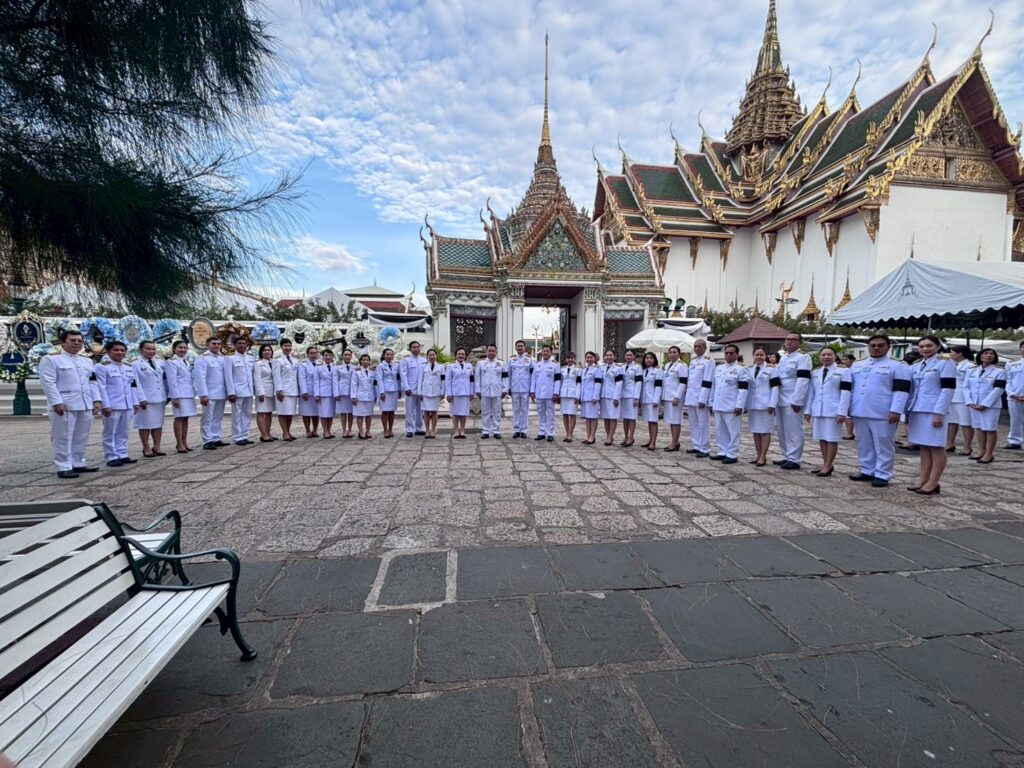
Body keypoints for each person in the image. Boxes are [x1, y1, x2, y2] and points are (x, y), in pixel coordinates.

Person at [848, 335, 911, 487]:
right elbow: (851, 388)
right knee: (863, 443)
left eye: (880, 345)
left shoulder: (898, 365)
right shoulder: (857, 365)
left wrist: (896, 410)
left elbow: (901, 390)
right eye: (873, 345)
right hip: (860, 409)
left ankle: (883, 474)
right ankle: (867, 470)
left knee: (883, 443)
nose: (876, 348)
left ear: (888, 347)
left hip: (883, 411)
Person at [38, 329, 101, 478]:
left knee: (81, 435)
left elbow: (92, 382)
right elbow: (48, 382)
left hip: (85, 403)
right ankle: (63, 465)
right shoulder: (52, 359)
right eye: (72, 340)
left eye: (79, 341)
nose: (76, 343)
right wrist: (56, 402)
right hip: (65, 404)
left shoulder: (86, 361)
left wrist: (96, 400)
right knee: (63, 436)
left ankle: (78, 462)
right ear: (62, 342)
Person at [906, 335, 956, 494]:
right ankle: (923, 479)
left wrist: (939, 413)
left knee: (936, 446)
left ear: (938, 346)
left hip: (933, 410)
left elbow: (948, 389)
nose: (925, 349)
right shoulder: (916, 365)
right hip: (917, 409)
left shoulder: (945, 362)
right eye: (921, 346)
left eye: (929, 346)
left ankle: (934, 482)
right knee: (923, 446)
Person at [803, 348, 851, 477]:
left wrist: (842, 412)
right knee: (822, 438)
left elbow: (846, 393)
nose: (826, 357)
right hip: (818, 409)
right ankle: (825, 464)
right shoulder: (815, 373)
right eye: (823, 355)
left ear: (835, 356)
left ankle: (828, 465)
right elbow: (811, 393)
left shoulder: (843, 371)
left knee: (831, 439)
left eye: (829, 354)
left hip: (833, 410)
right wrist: (807, 410)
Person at [95, 340, 139, 466]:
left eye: (122, 350)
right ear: (108, 351)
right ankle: (111, 456)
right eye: (116, 350)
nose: (120, 352)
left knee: (123, 431)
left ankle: (122, 453)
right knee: (110, 432)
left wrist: (135, 402)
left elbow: (133, 386)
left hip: (127, 404)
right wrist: (105, 405)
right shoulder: (102, 367)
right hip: (112, 405)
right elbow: (101, 387)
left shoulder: (128, 367)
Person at [773, 333, 812, 469]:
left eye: (793, 340)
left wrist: (797, 400)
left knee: (794, 430)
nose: (789, 342)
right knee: (782, 430)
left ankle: (795, 458)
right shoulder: (784, 358)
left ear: (800, 342)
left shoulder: (803, 357)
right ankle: (786, 455)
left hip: (792, 398)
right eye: (787, 340)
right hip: (780, 397)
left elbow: (802, 380)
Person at [710, 343, 749, 464]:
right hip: (718, 404)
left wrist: (740, 405)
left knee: (733, 431)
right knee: (720, 429)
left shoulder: (741, 369)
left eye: (731, 353)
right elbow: (714, 387)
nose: (728, 355)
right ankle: (723, 451)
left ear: (737, 354)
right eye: (726, 353)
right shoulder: (719, 368)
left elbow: (743, 389)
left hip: (732, 405)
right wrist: (711, 402)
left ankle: (732, 453)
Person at [966, 347, 1006, 464]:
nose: (988, 355)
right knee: (978, 428)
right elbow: (966, 387)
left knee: (989, 429)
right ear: (980, 356)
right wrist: (969, 401)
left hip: (990, 406)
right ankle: (981, 450)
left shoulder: (999, 371)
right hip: (974, 404)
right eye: (986, 353)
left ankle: (989, 453)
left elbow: (998, 389)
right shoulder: (972, 370)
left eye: (991, 354)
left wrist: (985, 404)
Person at [194, 337, 232, 450]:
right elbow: (200, 378)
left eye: (218, 344)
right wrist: (203, 394)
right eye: (213, 343)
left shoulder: (222, 358)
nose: (216, 345)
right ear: (207, 345)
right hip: (209, 393)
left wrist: (228, 392)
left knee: (218, 417)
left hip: (221, 392)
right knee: (207, 417)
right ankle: (207, 440)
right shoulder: (202, 359)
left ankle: (216, 437)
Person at [132, 340, 167, 457]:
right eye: (148, 349)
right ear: (140, 349)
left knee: (158, 423)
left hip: (160, 397)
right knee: (144, 424)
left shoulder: (160, 362)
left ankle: (157, 446)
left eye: (153, 349)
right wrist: (140, 398)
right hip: (145, 399)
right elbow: (136, 383)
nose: (151, 351)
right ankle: (146, 447)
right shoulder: (135, 364)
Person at [746, 346, 779, 467]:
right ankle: (758, 454)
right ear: (753, 356)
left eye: (761, 355)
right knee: (755, 431)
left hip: (766, 404)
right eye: (756, 355)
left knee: (765, 431)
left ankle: (763, 456)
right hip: (752, 404)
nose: (759, 357)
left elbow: (775, 387)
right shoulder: (749, 369)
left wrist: (772, 403)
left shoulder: (771, 369)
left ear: (765, 356)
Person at [165, 339, 197, 453]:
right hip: (179, 394)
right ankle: (179, 443)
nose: (183, 350)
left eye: (185, 348)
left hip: (188, 393)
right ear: (174, 349)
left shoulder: (186, 361)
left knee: (185, 418)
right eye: (180, 347)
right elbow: (172, 381)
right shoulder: (171, 362)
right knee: (179, 418)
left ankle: (184, 441)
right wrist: (175, 397)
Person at [684, 338, 715, 456]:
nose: (697, 348)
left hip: (701, 396)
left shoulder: (708, 360)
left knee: (703, 423)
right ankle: (696, 445)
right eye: (695, 346)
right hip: (691, 395)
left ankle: (705, 448)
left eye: (699, 346)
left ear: (705, 348)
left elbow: (707, 380)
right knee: (693, 423)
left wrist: (703, 399)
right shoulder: (693, 361)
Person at [945, 345, 975, 456]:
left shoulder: (970, 366)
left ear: (960, 354)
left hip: (963, 397)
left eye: (952, 352)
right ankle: (949, 444)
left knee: (965, 422)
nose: (950, 354)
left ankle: (967, 446)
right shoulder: (951, 364)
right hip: (951, 396)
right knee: (951, 421)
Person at [227, 337, 255, 446]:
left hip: (249, 390)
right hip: (237, 391)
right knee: (237, 414)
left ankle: (245, 435)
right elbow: (228, 377)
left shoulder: (250, 358)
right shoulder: (230, 359)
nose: (242, 345)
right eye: (239, 343)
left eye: (244, 343)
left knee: (247, 413)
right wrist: (231, 392)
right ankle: (237, 436)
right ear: (235, 345)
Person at [476, 343, 506, 439]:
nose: (491, 352)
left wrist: (505, 389)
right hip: (485, 391)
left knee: (497, 411)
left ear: (496, 352)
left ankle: (496, 431)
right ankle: (485, 431)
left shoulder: (501, 363)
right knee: (485, 412)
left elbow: (505, 377)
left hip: (497, 391)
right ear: (486, 352)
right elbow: (477, 378)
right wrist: (477, 389)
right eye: (489, 351)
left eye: (493, 351)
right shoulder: (480, 363)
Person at [530, 344, 559, 441]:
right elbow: (533, 379)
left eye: (547, 351)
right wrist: (532, 391)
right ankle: (541, 432)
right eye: (544, 351)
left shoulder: (555, 365)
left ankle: (550, 433)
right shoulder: (537, 365)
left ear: (551, 352)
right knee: (541, 413)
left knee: (550, 414)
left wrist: (556, 393)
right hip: (539, 393)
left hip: (550, 393)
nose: (545, 353)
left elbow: (557, 380)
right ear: (541, 352)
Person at [272, 338, 300, 441]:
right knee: (283, 412)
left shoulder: (295, 361)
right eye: (285, 346)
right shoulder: (278, 361)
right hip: (283, 390)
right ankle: (284, 432)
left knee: (290, 413)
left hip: (293, 390)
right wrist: (279, 390)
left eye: (289, 346)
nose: (287, 348)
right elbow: (276, 377)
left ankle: (288, 431)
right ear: (281, 347)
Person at [661, 346, 687, 452]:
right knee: (671, 420)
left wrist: (677, 397)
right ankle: (675, 442)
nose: (672, 354)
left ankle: (674, 443)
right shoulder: (667, 365)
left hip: (675, 397)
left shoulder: (682, 365)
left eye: (674, 352)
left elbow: (683, 382)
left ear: (679, 354)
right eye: (670, 352)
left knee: (676, 420)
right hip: (667, 396)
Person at [506, 340, 533, 438]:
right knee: (516, 409)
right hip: (515, 388)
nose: (520, 348)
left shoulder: (530, 359)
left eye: (521, 346)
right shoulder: (511, 359)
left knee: (524, 410)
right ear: (515, 347)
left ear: (524, 348)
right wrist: (508, 387)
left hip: (525, 388)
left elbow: (532, 375)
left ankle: (524, 430)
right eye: (518, 346)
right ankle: (517, 429)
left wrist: (532, 389)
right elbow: (509, 374)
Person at [400, 341, 426, 437]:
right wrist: (406, 387)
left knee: (420, 410)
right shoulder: (405, 361)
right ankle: (409, 429)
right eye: (414, 347)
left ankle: (419, 428)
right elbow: (403, 375)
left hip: (420, 389)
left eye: (418, 347)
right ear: (410, 349)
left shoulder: (424, 360)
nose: (416, 349)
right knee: (409, 410)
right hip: (410, 389)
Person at [446, 347, 473, 439]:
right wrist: (449, 394)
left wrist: (472, 392)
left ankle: (462, 430)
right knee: (455, 412)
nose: (461, 356)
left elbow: (472, 380)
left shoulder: (469, 366)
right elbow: (448, 381)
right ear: (456, 355)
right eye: (459, 354)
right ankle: (456, 431)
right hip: (455, 393)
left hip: (466, 392)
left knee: (463, 412)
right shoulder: (451, 366)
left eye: (463, 354)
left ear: (465, 356)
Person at [418, 348, 445, 438]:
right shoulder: (423, 367)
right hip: (425, 392)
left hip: (436, 392)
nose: (432, 356)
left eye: (433, 355)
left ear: (436, 356)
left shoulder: (441, 367)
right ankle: (427, 430)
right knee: (426, 412)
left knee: (434, 412)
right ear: (427, 356)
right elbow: (420, 380)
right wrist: (419, 392)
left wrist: (443, 391)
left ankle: (433, 430)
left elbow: (443, 380)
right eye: (430, 355)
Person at [253, 344, 277, 443]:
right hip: (263, 391)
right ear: (261, 352)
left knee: (269, 412)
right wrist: (260, 393)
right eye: (265, 350)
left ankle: (268, 433)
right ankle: (263, 434)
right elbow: (257, 379)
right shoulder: (258, 364)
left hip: (271, 391)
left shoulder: (274, 362)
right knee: (262, 412)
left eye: (269, 350)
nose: (267, 352)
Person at [351, 353, 377, 439]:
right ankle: (361, 431)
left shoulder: (373, 371)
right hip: (360, 396)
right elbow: (354, 384)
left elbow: (375, 384)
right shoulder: (356, 371)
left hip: (370, 396)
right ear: (360, 361)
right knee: (360, 415)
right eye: (364, 360)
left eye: (367, 360)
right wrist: (353, 396)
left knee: (369, 414)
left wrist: (376, 395)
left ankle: (368, 431)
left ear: (369, 362)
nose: (365, 361)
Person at [599, 350, 623, 446]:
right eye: (607, 355)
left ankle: (610, 436)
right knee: (606, 417)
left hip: (613, 396)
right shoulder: (601, 368)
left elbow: (619, 384)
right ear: (604, 357)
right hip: (603, 395)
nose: (609, 357)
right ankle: (608, 435)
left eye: (611, 355)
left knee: (613, 417)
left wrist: (616, 397)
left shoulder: (618, 369)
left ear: (614, 357)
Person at [376, 348, 400, 438]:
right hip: (385, 391)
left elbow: (398, 378)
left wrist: (400, 390)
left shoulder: (396, 365)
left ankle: (390, 429)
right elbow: (379, 380)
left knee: (392, 411)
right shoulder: (380, 366)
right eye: (387, 354)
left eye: (391, 354)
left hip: (394, 390)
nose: (389, 356)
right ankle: (385, 430)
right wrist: (381, 392)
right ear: (384, 355)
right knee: (385, 411)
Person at [640, 352, 662, 451]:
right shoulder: (643, 371)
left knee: (653, 421)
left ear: (654, 360)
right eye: (647, 358)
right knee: (649, 420)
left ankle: (653, 442)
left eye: (651, 358)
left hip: (653, 399)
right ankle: (650, 439)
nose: (649, 360)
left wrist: (656, 400)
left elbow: (658, 386)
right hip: (645, 399)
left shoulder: (657, 371)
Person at [620, 349, 642, 447]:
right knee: (625, 417)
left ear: (634, 356)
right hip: (623, 395)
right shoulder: (621, 367)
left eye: (630, 355)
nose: (628, 357)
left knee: (632, 417)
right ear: (624, 356)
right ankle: (626, 436)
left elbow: (638, 383)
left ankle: (631, 437)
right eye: (627, 355)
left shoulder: (637, 367)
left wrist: (636, 397)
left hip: (632, 394)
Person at [1005, 340, 1024, 450]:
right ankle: (1014, 441)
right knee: (1015, 419)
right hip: (1015, 396)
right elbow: (1008, 381)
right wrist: (1012, 394)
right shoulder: (1011, 364)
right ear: (1020, 349)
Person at [558, 351, 581, 442]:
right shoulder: (562, 369)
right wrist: (558, 394)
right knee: (565, 414)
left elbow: (579, 383)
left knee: (572, 414)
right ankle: (567, 433)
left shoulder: (578, 370)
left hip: (573, 394)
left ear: (574, 359)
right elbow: (560, 382)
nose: (570, 359)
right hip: (564, 394)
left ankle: (570, 433)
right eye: (568, 358)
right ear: (566, 359)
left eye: (572, 358)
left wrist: (577, 396)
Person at [298, 346, 321, 438]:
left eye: (315, 353)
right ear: (307, 354)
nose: (313, 355)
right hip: (307, 391)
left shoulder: (320, 364)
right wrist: (304, 392)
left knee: (316, 412)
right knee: (306, 412)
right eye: (311, 353)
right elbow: (302, 378)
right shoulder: (303, 364)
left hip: (317, 392)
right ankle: (307, 430)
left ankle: (315, 430)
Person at [580, 351, 601, 444]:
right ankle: (588, 436)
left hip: (592, 397)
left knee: (593, 417)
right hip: (585, 397)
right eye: (587, 357)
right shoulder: (584, 370)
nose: (589, 359)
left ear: (594, 358)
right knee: (587, 418)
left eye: (591, 357)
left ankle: (592, 436)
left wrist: (595, 396)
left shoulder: (597, 369)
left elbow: (598, 384)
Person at [315, 349, 337, 438]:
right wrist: (317, 394)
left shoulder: (335, 367)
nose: (328, 357)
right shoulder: (318, 368)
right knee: (324, 413)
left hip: (332, 393)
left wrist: (336, 393)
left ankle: (329, 430)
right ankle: (325, 431)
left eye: (329, 355)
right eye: (326, 355)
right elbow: (316, 382)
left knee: (330, 413)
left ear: (332, 357)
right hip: (323, 393)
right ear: (323, 357)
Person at [334, 348, 356, 438]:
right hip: (342, 392)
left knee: (351, 412)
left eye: (349, 355)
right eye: (345, 355)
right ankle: (344, 430)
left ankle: (350, 430)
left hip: (352, 392)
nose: (347, 356)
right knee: (343, 412)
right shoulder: (337, 367)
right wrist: (336, 393)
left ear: (351, 356)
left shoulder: (355, 367)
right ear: (342, 356)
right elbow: (335, 381)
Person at [839, 353, 857, 440]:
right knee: (847, 414)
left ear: (852, 360)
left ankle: (850, 433)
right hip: (848, 394)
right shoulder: (842, 370)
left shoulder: (855, 370)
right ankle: (849, 432)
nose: (844, 361)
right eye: (843, 359)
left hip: (854, 394)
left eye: (846, 359)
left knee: (849, 415)